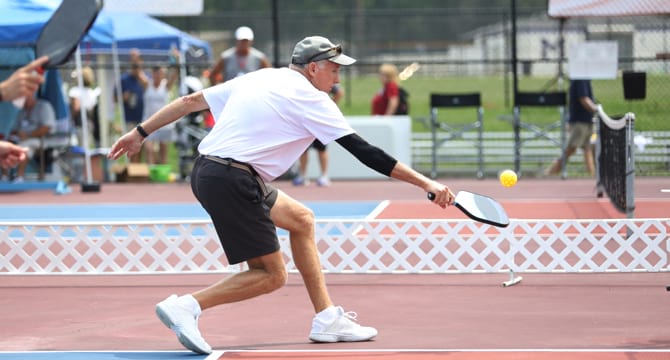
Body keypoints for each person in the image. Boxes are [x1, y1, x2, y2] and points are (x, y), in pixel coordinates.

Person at [108, 35, 455, 355]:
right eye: (334, 70)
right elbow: (366, 153)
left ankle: (327, 319)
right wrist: (426, 183)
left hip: (208, 170)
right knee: (272, 275)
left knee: (302, 220)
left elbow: (189, 101)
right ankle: (187, 306)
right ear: (314, 68)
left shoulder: (262, 76)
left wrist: (140, 131)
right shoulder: (313, 99)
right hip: (234, 178)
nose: (337, 79)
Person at [293, 84, 344, 187]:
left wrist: (331, 107)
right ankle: (303, 176)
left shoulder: (322, 80)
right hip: (305, 119)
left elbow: (339, 92)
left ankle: (324, 176)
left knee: (322, 148)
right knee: (303, 149)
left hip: (320, 119)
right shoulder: (303, 82)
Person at [545, 79, 598, 177]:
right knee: (571, 148)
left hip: (587, 120)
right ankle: (550, 172)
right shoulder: (580, 80)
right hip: (579, 122)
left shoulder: (585, 80)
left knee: (588, 148)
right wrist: (596, 109)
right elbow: (584, 99)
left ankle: (592, 174)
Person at [1, 94, 56, 182]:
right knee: (4, 146)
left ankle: (20, 177)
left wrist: (28, 135)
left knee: (24, 147)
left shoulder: (44, 106)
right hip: (20, 139)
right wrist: (14, 135)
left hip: (40, 140)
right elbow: (15, 129)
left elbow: (46, 128)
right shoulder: (21, 111)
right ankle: (4, 177)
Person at [117, 49, 148, 163]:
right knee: (131, 147)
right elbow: (115, 98)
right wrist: (123, 97)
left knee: (142, 147)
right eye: (133, 63)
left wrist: (140, 74)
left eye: (137, 62)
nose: (135, 65)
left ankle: (139, 171)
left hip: (144, 119)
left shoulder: (145, 78)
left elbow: (149, 88)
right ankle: (131, 171)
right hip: (129, 118)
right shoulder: (124, 79)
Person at [143, 65, 178, 164]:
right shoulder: (147, 84)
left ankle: (162, 174)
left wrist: (177, 60)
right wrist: (136, 59)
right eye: (156, 73)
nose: (158, 75)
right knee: (149, 149)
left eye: (160, 73)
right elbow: (138, 73)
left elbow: (175, 75)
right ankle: (151, 171)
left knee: (163, 150)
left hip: (164, 123)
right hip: (148, 121)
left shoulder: (166, 85)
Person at [68, 66, 101, 147]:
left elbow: (76, 108)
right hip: (89, 123)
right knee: (86, 146)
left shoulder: (74, 91)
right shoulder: (91, 92)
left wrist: (71, 118)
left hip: (78, 123)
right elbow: (92, 109)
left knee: (80, 148)